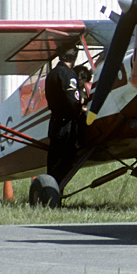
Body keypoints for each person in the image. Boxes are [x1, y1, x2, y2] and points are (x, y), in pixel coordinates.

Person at [45, 44, 85, 185]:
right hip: (66, 125)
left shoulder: (52, 74)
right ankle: (58, 190)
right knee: (65, 161)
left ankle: (52, 192)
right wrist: (81, 108)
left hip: (55, 122)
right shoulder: (68, 74)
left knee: (54, 160)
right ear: (74, 58)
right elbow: (72, 100)